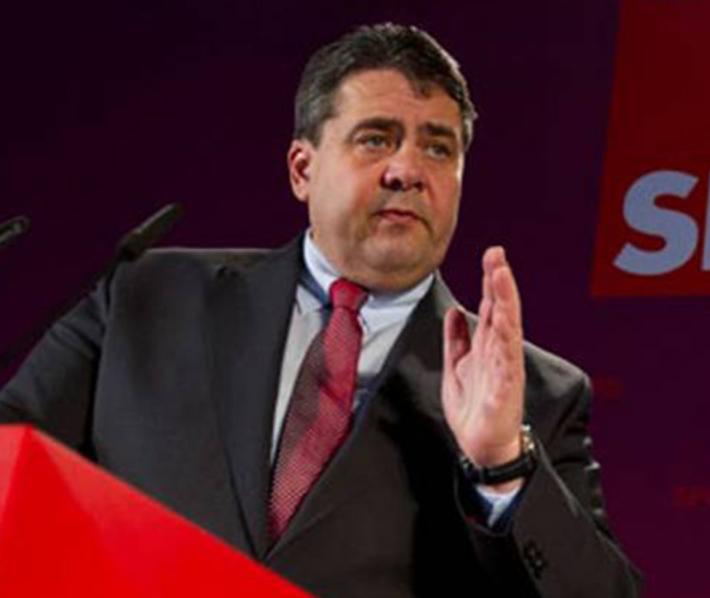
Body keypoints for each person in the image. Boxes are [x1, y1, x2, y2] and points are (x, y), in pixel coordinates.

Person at [0, 23, 642, 597]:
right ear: (302, 169)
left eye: (438, 148)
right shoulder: (144, 298)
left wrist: (500, 465)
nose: (407, 170)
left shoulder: (532, 395)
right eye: (376, 139)